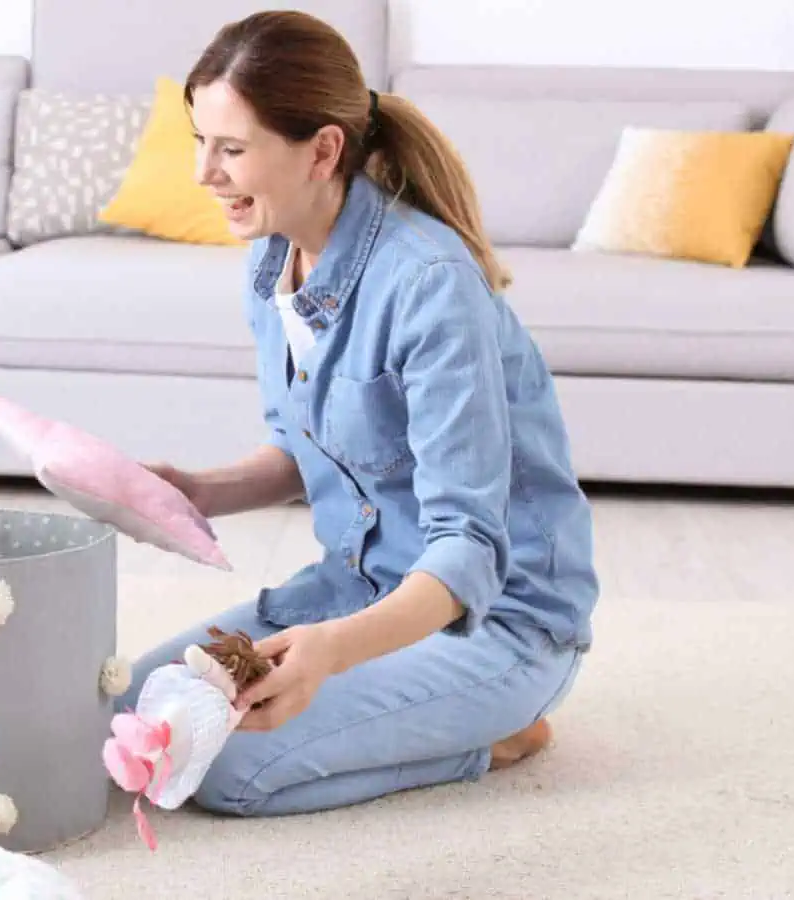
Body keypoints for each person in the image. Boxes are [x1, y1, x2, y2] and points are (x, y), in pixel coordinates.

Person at [123, 10, 600, 817]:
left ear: (323, 150)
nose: (205, 173)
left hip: (498, 621)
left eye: (231, 148)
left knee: (231, 768)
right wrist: (197, 490)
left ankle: (502, 731)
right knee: (146, 701)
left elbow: (467, 552)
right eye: (200, 141)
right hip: (363, 586)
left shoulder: (429, 286)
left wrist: (329, 653)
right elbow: (315, 448)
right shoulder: (272, 259)